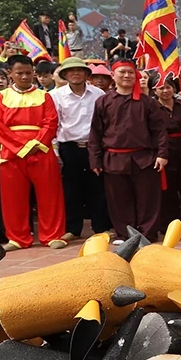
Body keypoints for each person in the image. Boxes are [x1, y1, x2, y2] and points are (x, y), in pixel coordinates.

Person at [89, 60, 168, 243]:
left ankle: (147, 233)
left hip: (144, 157)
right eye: (122, 72)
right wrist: (95, 160)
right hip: (114, 158)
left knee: (147, 198)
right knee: (119, 200)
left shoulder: (148, 102)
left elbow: (159, 131)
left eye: (131, 73)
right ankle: (125, 234)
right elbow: (95, 132)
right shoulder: (103, 101)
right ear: (113, 76)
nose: (127, 76)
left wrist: (162, 154)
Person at [0, 54, 68, 251]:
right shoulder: (0, 97)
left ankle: (52, 235)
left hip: (42, 150)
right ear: (10, 74)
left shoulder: (45, 96)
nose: (25, 77)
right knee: (12, 197)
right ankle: (17, 238)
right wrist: (23, 147)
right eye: (20, 73)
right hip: (11, 153)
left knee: (50, 195)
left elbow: (51, 122)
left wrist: (37, 143)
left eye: (28, 73)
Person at [50, 57, 109, 240]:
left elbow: (105, 121)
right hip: (69, 148)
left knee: (98, 188)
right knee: (71, 189)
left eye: (79, 70)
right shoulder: (56, 96)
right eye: (71, 71)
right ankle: (73, 229)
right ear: (65, 75)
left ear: (86, 74)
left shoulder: (98, 93)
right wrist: (56, 152)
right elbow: (54, 124)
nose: (75, 73)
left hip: (94, 147)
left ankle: (101, 227)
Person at [155, 74, 181, 232]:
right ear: (155, 90)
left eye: (168, 87)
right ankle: (170, 224)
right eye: (161, 88)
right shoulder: (153, 107)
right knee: (168, 189)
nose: (165, 91)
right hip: (165, 149)